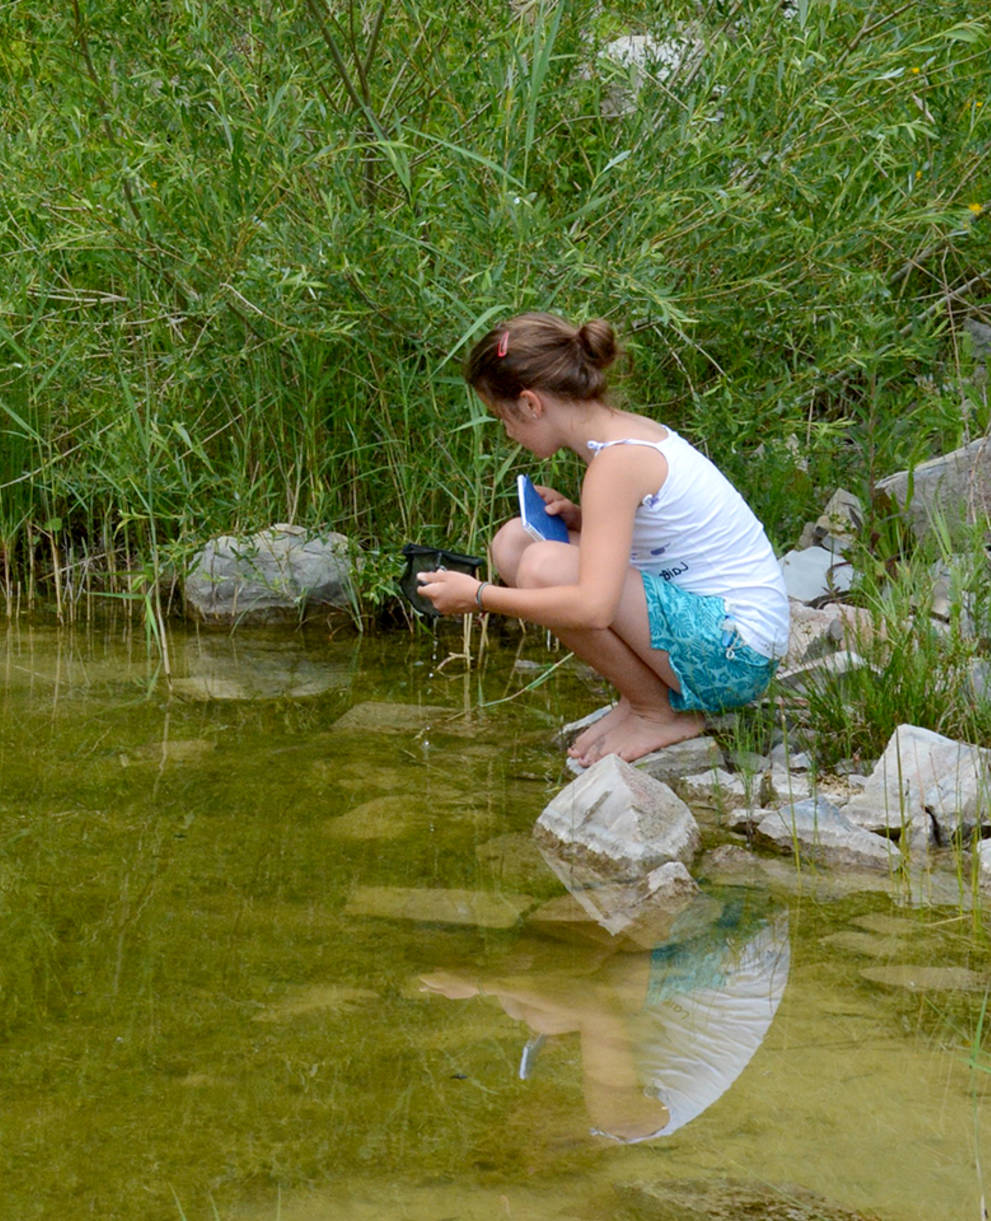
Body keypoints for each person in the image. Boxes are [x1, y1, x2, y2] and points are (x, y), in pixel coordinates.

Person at [417, 312, 790, 766]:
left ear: (532, 404)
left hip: (734, 658)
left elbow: (594, 608)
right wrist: (581, 517)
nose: (508, 432)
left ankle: (658, 713)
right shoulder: (622, 436)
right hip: (712, 628)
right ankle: (640, 701)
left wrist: (478, 596)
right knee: (515, 542)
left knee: (541, 568)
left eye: (503, 417)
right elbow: (664, 541)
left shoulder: (615, 464)